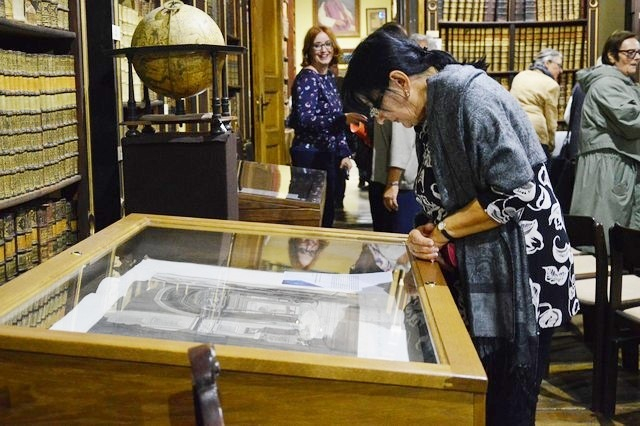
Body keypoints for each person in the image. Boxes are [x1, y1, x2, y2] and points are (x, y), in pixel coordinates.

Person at [342, 31, 578, 425]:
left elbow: (517, 191)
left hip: (524, 275)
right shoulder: (434, 107)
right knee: (484, 403)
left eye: (376, 106)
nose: (380, 118)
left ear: (400, 81)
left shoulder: (469, 97)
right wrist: (425, 230)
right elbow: (443, 195)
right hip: (490, 272)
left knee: (507, 407)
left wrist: (440, 232)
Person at [288, 26, 364, 227]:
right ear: (309, 50)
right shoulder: (307, 77)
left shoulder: (328, 77)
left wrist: (344, 152)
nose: (324, 50)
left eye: (327, 44)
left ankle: (320, 247)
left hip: (327, 155)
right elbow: (304, 119)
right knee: (311, 215)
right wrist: (341, 119)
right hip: (310, 156)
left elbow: (338, 120)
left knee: (327, 213)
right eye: (317, 45)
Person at [570, 30, 640, 249]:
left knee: (615, 233)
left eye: (639, 52)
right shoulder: (607, 84)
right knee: (606, 233)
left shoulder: (622, 84)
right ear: (611, 55)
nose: (636, 57)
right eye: (630, 52)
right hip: (608, 167)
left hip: (616, 162)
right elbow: (631, 121)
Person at [510, 48, 564, 159]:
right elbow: (551, 120)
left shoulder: (520, 76)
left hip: (514, 131)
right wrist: (551, 145)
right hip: (537, 135)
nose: (561, 71)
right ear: (547, 63)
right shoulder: (551, 84)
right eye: (559, 65)